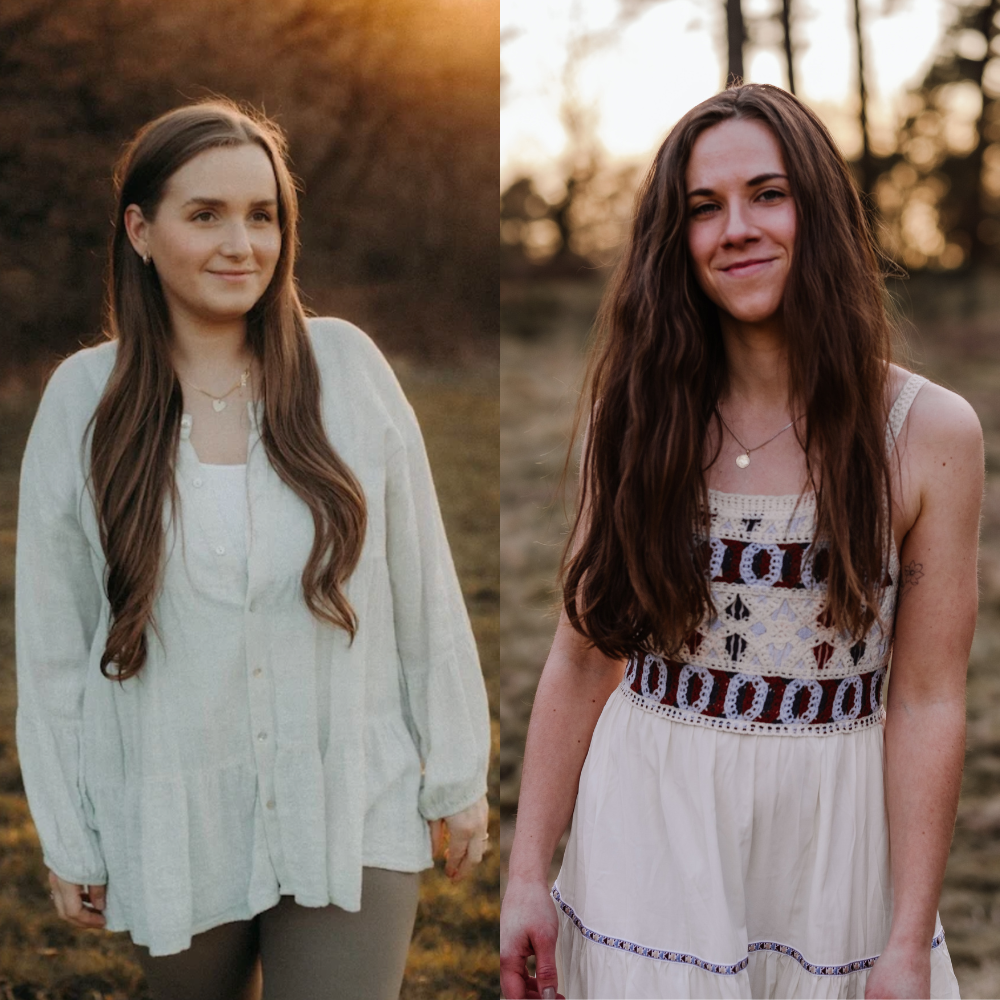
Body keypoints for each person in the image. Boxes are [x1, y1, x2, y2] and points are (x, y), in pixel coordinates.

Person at [500, 83, 980, 1000]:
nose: (737, 229)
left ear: (821, 210)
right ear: (676, 243)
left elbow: (927, 700)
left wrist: (906, 939)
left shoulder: (930, 433)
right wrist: (528, 876)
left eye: (768, 193)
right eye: (703, 209)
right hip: (652, 830)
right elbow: (581, 660)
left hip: (831, 854)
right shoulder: (637, 416)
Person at [15, 98, 491, 1000]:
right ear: (141, 231)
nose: (243, 244)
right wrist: (69, 832)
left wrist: (458, 771)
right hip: (173, 808)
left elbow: (425, 583)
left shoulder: (346, 368)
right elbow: (50, 646)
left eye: (263, 215)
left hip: (352, 793)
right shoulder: (84, 399)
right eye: (207, 215)